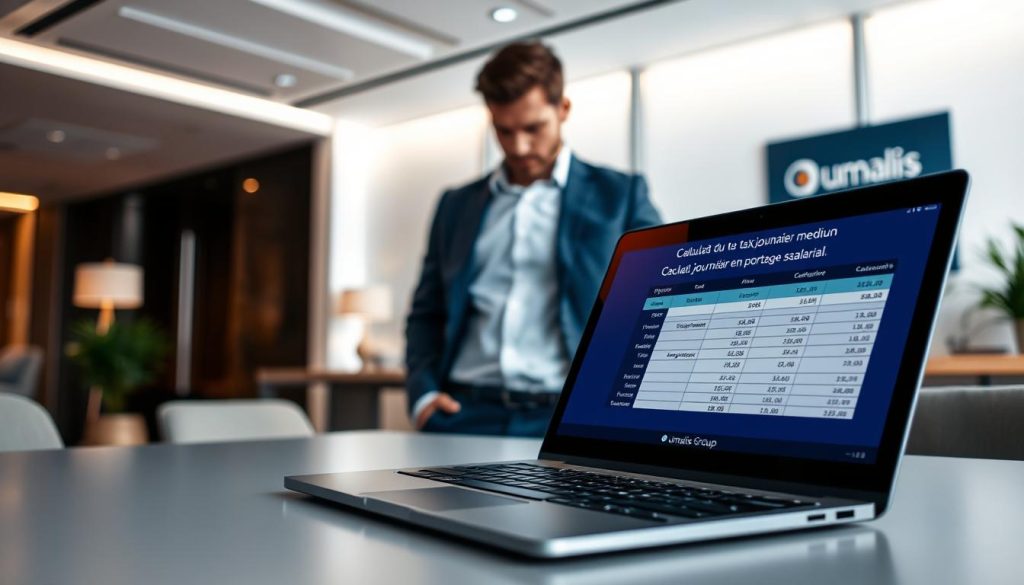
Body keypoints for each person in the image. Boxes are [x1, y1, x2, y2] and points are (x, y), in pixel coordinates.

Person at [405, 41, 662, 436]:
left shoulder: (621, 196)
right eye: (504, 131)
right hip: (462, 414)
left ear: (563, 109)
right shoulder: (455, 206)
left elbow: (658, 300)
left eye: (533, 128)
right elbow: (427, 310)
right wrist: (422, 396)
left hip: (569, 417)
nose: (519, 146)